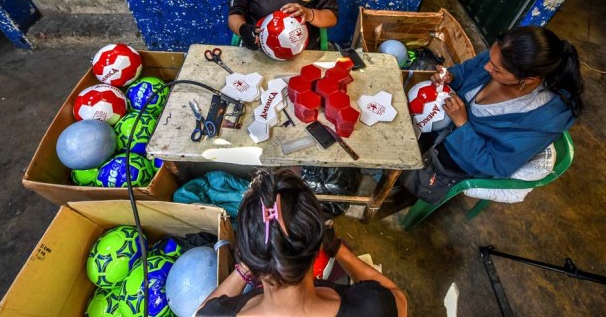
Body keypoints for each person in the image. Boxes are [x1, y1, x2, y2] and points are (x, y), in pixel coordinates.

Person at [393, 26, 584, 207]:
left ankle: (401, 197)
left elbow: (495, 164)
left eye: (496, 69)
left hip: (460, 158)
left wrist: (463, 124)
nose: (486, 68)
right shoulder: (500, 58)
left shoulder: (540, 122)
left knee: (405, 178)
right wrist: (451, 77)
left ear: (528, 80)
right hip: (441, 127)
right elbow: (466, 70)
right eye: (489, 59)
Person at [197, 169, 408, 316]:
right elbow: (398, 298)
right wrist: (338, 249)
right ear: (318, 247)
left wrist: (246, 267)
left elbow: (203, 312)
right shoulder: (373, 308)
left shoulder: (216, 315)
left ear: (246, 252)